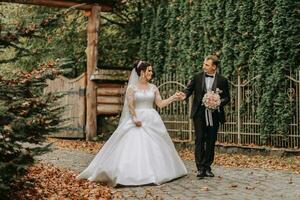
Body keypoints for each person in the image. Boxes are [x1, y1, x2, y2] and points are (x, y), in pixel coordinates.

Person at [76, 60, 187, 187]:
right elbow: (130, 105)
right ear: (142, 72)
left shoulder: (153, 87)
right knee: (135, 145)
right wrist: (134, 118)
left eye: (151, 70)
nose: (151, 72)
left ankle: (155, 173)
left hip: (152, 119)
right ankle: (131, 174)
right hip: (138, 119)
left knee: (154, 147)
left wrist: (174, 97)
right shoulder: (132, 88)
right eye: (149, 70)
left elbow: (160, 104)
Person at [178, 55, 230, 179]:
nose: (203, 66)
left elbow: (227, 98)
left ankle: (207, 167)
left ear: (214, 67)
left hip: (215, 115)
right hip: (199, 114)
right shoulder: (197, 77)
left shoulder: (223, 80)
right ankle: (200, 168)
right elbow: (188, 90)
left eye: (207, 65)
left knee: (211, 141)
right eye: (204, 64)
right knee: (199, 139)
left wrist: (218, 101)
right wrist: (184, 95)